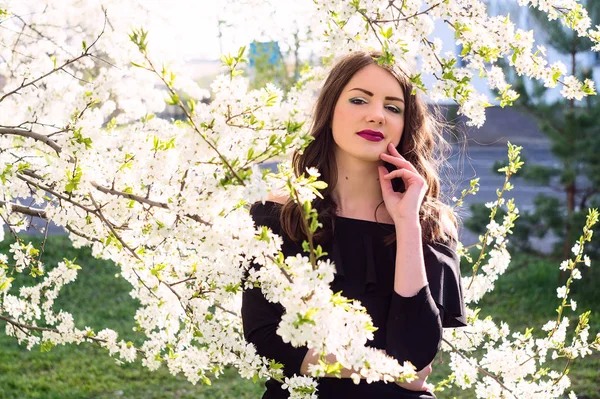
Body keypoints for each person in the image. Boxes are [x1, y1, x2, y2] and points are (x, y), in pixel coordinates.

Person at [241, 51, 467, 398]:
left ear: (407, 124)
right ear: (330, 109)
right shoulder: (277, 215)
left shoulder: (430, 224)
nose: (376, 115)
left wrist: (406, 222)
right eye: (360, 100)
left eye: (393, 107)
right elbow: (266, 341)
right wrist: (382, 368)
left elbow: (416, 352)